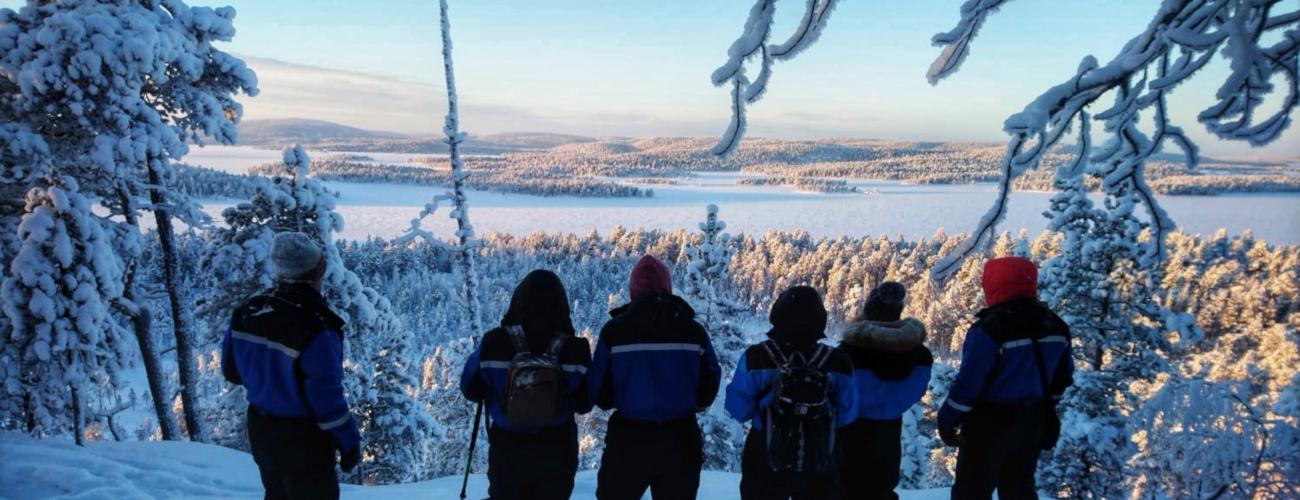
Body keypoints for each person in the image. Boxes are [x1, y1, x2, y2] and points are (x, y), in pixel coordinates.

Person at [222, 231, 361, 500]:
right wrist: (349, 441)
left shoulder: (248, 310)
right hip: (304, 441)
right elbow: (326, 397)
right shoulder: (317, 326)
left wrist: (270, 382)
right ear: (316, 273)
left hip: (262, 431)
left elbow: (232, 371)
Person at [937, 257, 1073, 500]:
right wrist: (1046, 412)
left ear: (993, 284)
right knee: (1019, 488)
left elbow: (969, 383)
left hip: (987, 424)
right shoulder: (1055, 325)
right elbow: (1061, 379)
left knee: (971, 491)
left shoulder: (990, 328)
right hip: (1031, 421)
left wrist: (947, 419)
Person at [589, 255, 723, 500]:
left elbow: (598, 389)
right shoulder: (692, 331)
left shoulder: (615, 332)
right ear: (667, 286)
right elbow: (711, 379)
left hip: (628, 440)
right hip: (680, 438)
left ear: (633, 289)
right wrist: (692, 404)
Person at [460, 270, 593, 500]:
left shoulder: (495, 342)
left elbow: (470, 388)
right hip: (557, 448)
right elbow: (585, 402)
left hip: (508, 448)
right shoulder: (576, 349)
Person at [726, 286, 857, 500]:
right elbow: (847, 413)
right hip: (819, 457)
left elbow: (738, 408)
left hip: (765, 456)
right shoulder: (838, 362)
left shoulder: (757, 357)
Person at [838, 282, 933, 500]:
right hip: (889, 431)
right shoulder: (920, 356)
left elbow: (835, 389)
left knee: (847, 487)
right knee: (881, 488)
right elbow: (915, 392)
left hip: (849, 432)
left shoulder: (847, 353)